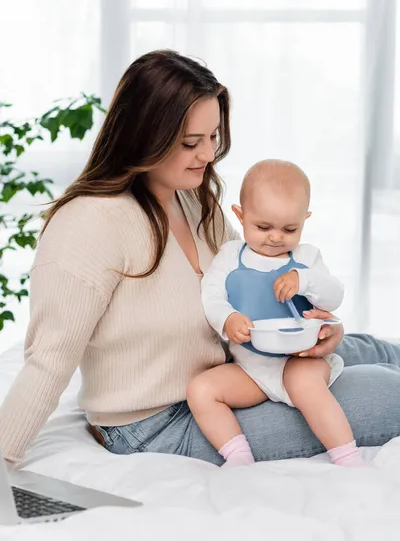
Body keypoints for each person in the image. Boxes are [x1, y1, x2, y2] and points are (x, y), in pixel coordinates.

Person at [1, 49, 400, 468]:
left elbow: (257, 285)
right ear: (144, 136)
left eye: (213, 137)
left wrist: (314, 330)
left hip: (242, 369)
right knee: (388, 391)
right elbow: (47, 360)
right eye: (191, 142)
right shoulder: (87, 225)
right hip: (159, 422)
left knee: (369, 346)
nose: (208, 154)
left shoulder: (194, 202)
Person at [189, 159, 365, 468]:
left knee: (304, 386)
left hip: (298, 361)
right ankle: (238, 456)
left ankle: (348, 457)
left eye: (290, 228)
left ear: (304, 221)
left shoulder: (306, 257)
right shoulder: (231, 256)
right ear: (240, 216)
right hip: (250, 369)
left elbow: (334, 295)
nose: (276, 237)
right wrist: (227, 319)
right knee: (201, 389)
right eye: (263, 227)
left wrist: (304, 279)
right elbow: (212, 297)